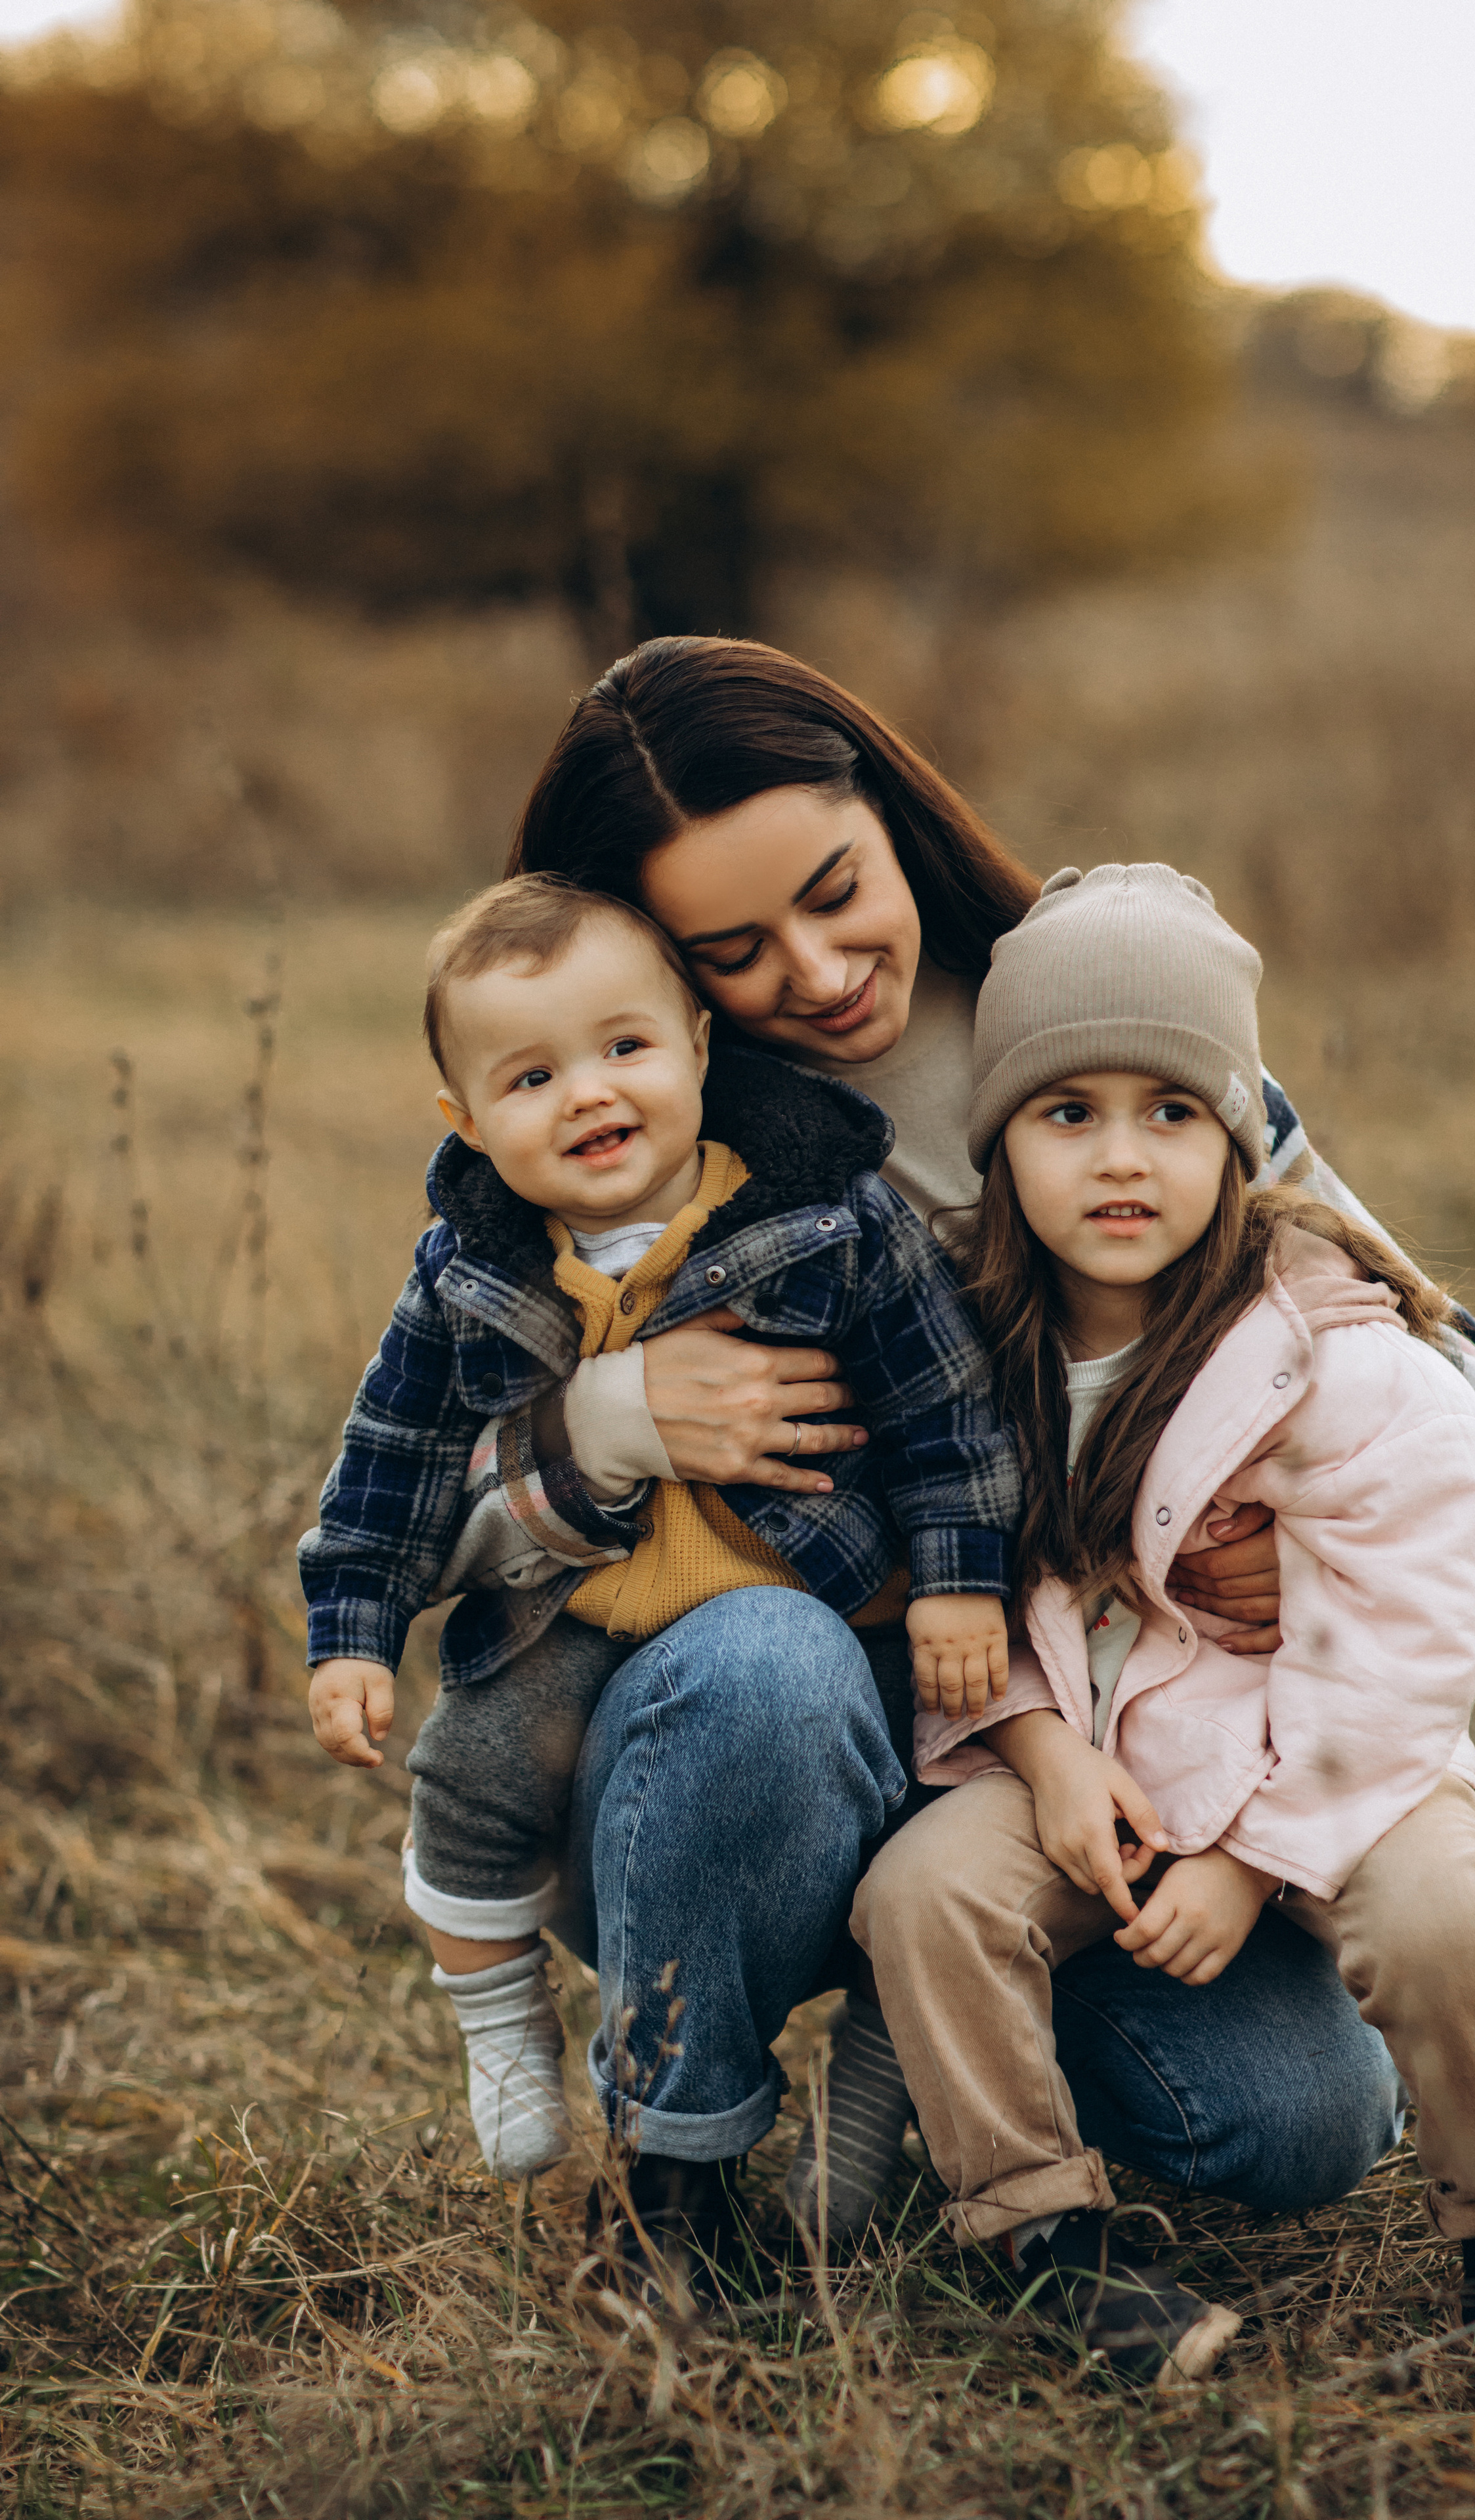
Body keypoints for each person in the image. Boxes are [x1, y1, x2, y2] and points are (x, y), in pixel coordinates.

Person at [444, 636, 1475, 2275]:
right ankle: (680, 2179)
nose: (811, 971)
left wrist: (1275, 1549)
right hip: (756, 1749)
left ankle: (941, 2048)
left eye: (833, 890)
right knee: (765, 1662)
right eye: (728, 950)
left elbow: (1466, 1399)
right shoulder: (619, 1125)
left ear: (888, 810)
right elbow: (423, 1513)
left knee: (1298, 2121)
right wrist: (611, 1418)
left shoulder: (1110, 1031)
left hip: (1104, 1729)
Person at [853, 861, 1475, 2445]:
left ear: (1235, 1133)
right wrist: (1041, 1747)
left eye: (1170, 1112)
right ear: (996, 1135)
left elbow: (1401, 1643)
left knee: (1436, 1919)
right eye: (1064, 1113)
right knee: (925, 1894)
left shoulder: (1328, 1351)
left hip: (1322, 1753)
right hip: (1100, 1750)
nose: (1119, 1158)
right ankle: (1042, 2239)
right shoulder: (973, 1343)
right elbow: (970, 1577)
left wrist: (1252, 1858)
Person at [299, 874, 1020, 2194]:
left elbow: (946, 1414)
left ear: (698, 1044)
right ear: (464, 1120)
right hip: (572, 1631)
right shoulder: (467, 1271)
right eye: (529, 1079)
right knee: (465, 1779)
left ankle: (872, 2101)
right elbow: (387, 1464)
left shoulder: (824, 1218)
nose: (587, 1094)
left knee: (931, 1829)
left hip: (831, 1627)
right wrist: (350, 1632)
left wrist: (959, 1587)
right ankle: (505, 2024)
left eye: (623, 1048)